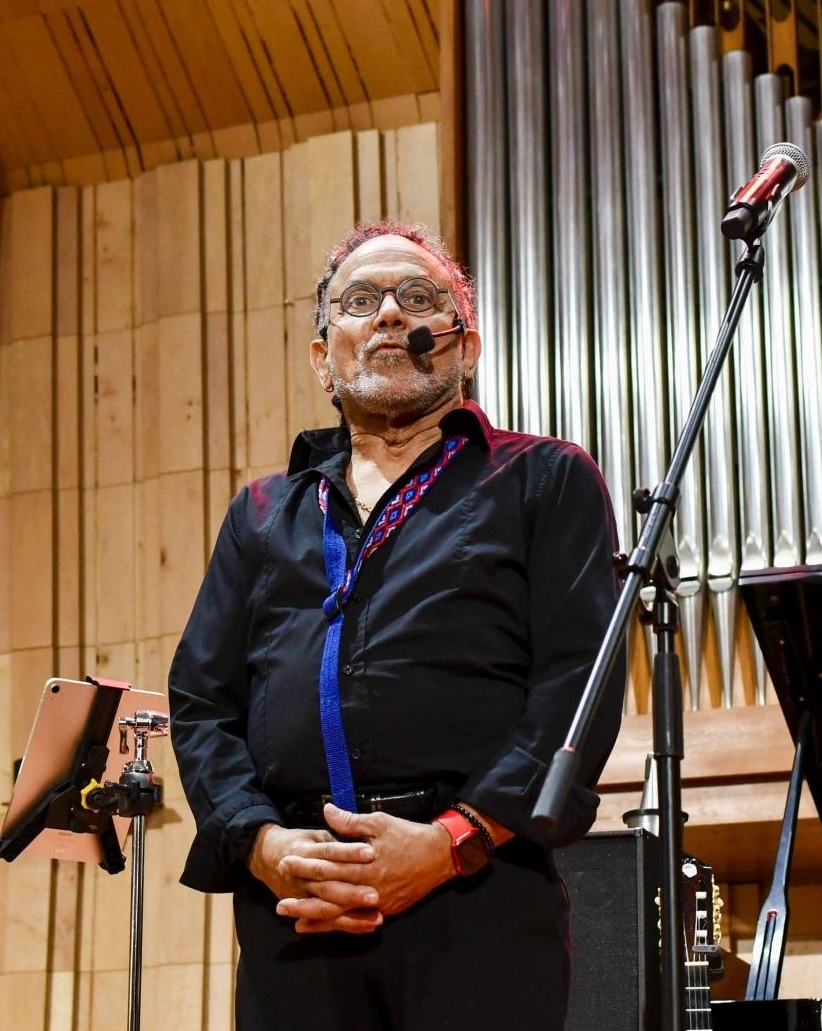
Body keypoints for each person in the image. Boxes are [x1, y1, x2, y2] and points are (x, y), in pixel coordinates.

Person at [168, 221, 624, 1029]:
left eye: (418, 298)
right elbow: (203, 701)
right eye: (360, 300)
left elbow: (577, 685)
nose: (388, 314)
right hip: (299, 903)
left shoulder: (545, 479)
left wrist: (454, 840)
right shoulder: (262, 513)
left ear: (465, 345)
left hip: (480, 891)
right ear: (322, 357)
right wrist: (262, 843)